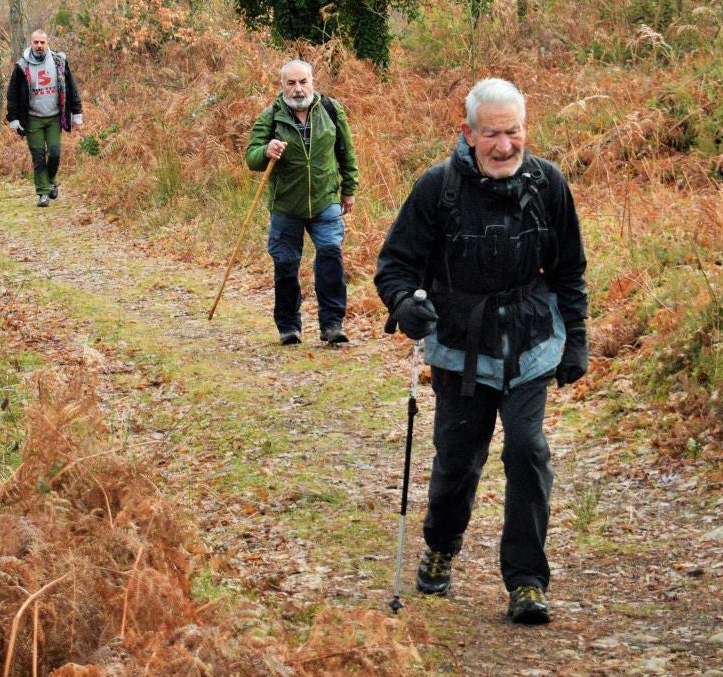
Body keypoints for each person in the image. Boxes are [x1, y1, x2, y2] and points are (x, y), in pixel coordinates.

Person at [375, 77, 589, 626]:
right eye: (491, 133)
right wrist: (404, 305)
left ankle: (526, 582)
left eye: (513, 132)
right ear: (467, 133)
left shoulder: (549, 185)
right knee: (457, 462)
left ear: (526, 130)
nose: (503, 146)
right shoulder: (437, 188)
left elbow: (569, 270)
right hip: (458, 345)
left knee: (527, 450)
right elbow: (394, 265)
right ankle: (441, 544)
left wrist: (577, 340)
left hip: (530, 341)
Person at [243, 59, 359, 346]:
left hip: (325, 200)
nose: (298, 89)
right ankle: (288, 327)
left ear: (312, 82)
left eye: (302, 82)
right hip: (286, 205)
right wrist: (266, 151)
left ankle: (332, 324)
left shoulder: (331, 110)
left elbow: (346, 151)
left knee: (331, 254)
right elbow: (251, 158)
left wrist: (349, 189)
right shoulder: (270, 117)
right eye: (291, 83)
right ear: (282, 85)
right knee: (285, 264)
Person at [6, 29, 83, 208]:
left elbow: (71, 88)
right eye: (36, 42)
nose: (39, 46)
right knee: (38, 156)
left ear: (47, 44)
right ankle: (43, 193)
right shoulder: (21, 66)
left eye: (42, 42)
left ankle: (51, 180)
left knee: (54, 154)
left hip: (55, 117)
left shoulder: (59, 61)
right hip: (33, 118)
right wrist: (13, 119)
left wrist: (77, 113)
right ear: (31, 43)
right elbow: (13, 94)